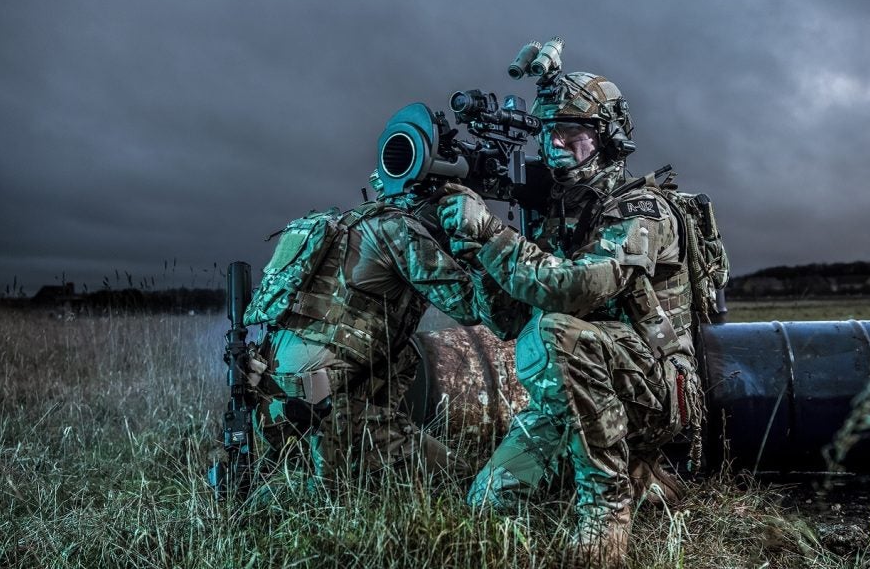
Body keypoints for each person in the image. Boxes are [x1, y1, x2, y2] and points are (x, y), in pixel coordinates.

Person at [436, 72, 729, 563]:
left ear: (609, 137)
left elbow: (572, 290)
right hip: (581, 389)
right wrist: (476, 255)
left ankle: (607, 508)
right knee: (487, 504)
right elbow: (508, 322)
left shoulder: (643, 210)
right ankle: (642, 476)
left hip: (658, 389)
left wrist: (491, 235)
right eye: (548, 132)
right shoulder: (556, 214)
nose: (555, 145)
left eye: (571, 133)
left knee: (557, 332)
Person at [243, 170, 524, 484]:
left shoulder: (344, 227)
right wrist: (478, 242)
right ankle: (330, 470)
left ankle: (310, 466)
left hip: (274, 411)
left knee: (404, 353)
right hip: (326, 416)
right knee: (460, 480)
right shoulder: (400, 230)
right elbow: (483, 313)